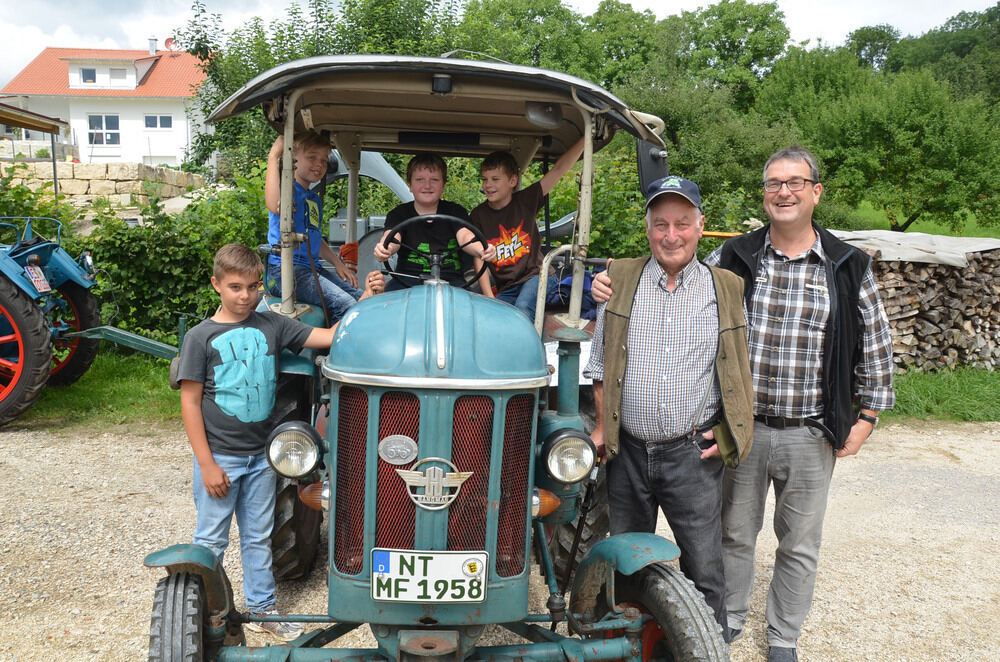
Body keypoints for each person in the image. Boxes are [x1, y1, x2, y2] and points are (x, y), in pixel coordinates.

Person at [592, 148, 895, 662]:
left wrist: (866, 417)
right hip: (743, 428)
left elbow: (876, 343)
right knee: (732, 537)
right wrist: (606, 283)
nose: (784, 192)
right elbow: (671, 266)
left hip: (812, 429)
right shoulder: (733, 257)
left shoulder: (847, 264)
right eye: (774, 183)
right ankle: (719, 628)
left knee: (797, 542)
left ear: (815, 192)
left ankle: (782, 639)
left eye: (795, 182)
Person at [176, 243, 383, 641]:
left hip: (260, 458)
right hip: (221, 457)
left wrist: (367, 299)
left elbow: (329, 335)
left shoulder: (272, 324)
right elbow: (189, 401)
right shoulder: (201, 338)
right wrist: (206, 463)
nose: (245, 296)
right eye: (235, 287)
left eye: (253, 287)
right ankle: (201, 612)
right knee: (210, 538)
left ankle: (263, 609)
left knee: (258, 535)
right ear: (216, 284)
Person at [583, 175, 753, 638]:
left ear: (701, 227)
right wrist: (601, 429)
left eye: (681, 223)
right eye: (660, 224)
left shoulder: (726, 288)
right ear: (648, 228)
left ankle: (707, 647)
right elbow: (599, 365)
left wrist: (730, 432)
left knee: (704, 567)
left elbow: (740, 369)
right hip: (629, 453)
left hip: (690, 455)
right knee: (624, 564)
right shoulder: (620, 280)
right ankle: (628, 646)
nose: (670, 235)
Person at [469, 137, 585, 320]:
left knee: (523, 308)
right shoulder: (478, 215)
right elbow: (479, 258)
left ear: (513, 180)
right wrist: (488, 297)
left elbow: (558, 170)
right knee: (491, 317)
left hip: (537, 276)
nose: (488, 185)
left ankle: (528, 348)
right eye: (485, 179)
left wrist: (586, 138)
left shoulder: (525, 201)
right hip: (507, 286)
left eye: (495, 179)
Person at [265, 133, 362, 323]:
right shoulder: (287, 190)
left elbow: (313, 236)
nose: (319, 164)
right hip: (285, 272)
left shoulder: (313, 198)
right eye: (312, 157)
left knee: (360, 299)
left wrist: (337, 263)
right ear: (294, 159)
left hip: (310, 269)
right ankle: (333, 352)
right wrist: (274, 156)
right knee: (346, 305)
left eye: (324, 161)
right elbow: (272, 203)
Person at [374, 152, 495, 290]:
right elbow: (392, 237)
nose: (427, 186)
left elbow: (466, 237)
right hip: (406, 282)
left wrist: (482, 250)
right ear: (410, 185)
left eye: (434, 180)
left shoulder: (455, 211)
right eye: (420, 180)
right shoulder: (399, 214)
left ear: (443, 185)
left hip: (452, 282)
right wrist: (385, 248)